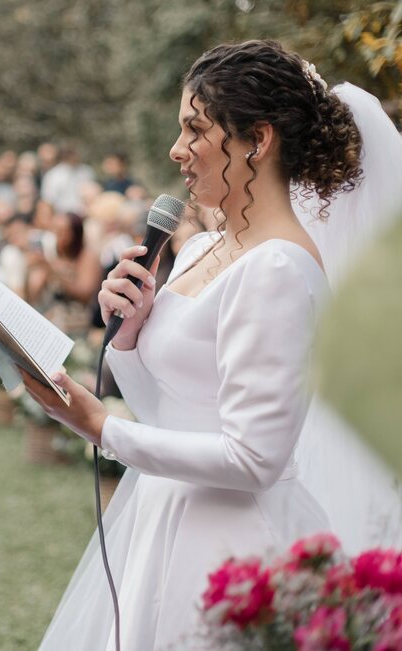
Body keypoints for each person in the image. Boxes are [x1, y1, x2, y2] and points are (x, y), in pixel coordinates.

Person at [24, 40, 366, 649]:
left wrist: (103, 428)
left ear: (256, 140)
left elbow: (255, 458)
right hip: (163, 515)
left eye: (195, 129)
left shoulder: (279, 270)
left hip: (230, 548)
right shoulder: (204, 248)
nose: (176, 151)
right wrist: (128, 336)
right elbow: (171, 408)